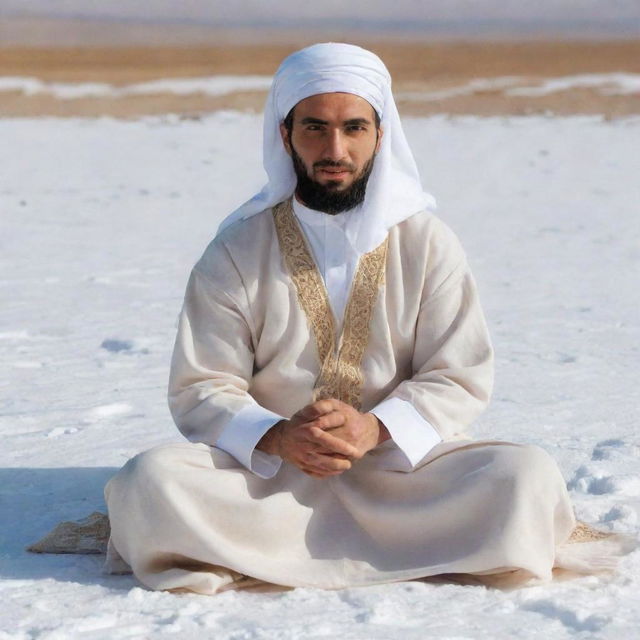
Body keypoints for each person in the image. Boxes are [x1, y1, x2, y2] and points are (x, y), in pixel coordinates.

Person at [103, 43, 615, 594]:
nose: (335, 148)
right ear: (285, 135)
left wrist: (376, 427)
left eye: (354, 128)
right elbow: (202, 384)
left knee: (526, 477)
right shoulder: (236, 249)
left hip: (403, 472)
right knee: (149, 483)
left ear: (380, 134)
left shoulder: (427, 243)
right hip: (267, 478)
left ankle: (262, 551)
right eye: (315, 128)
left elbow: (458, 374)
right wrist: (278, 436)